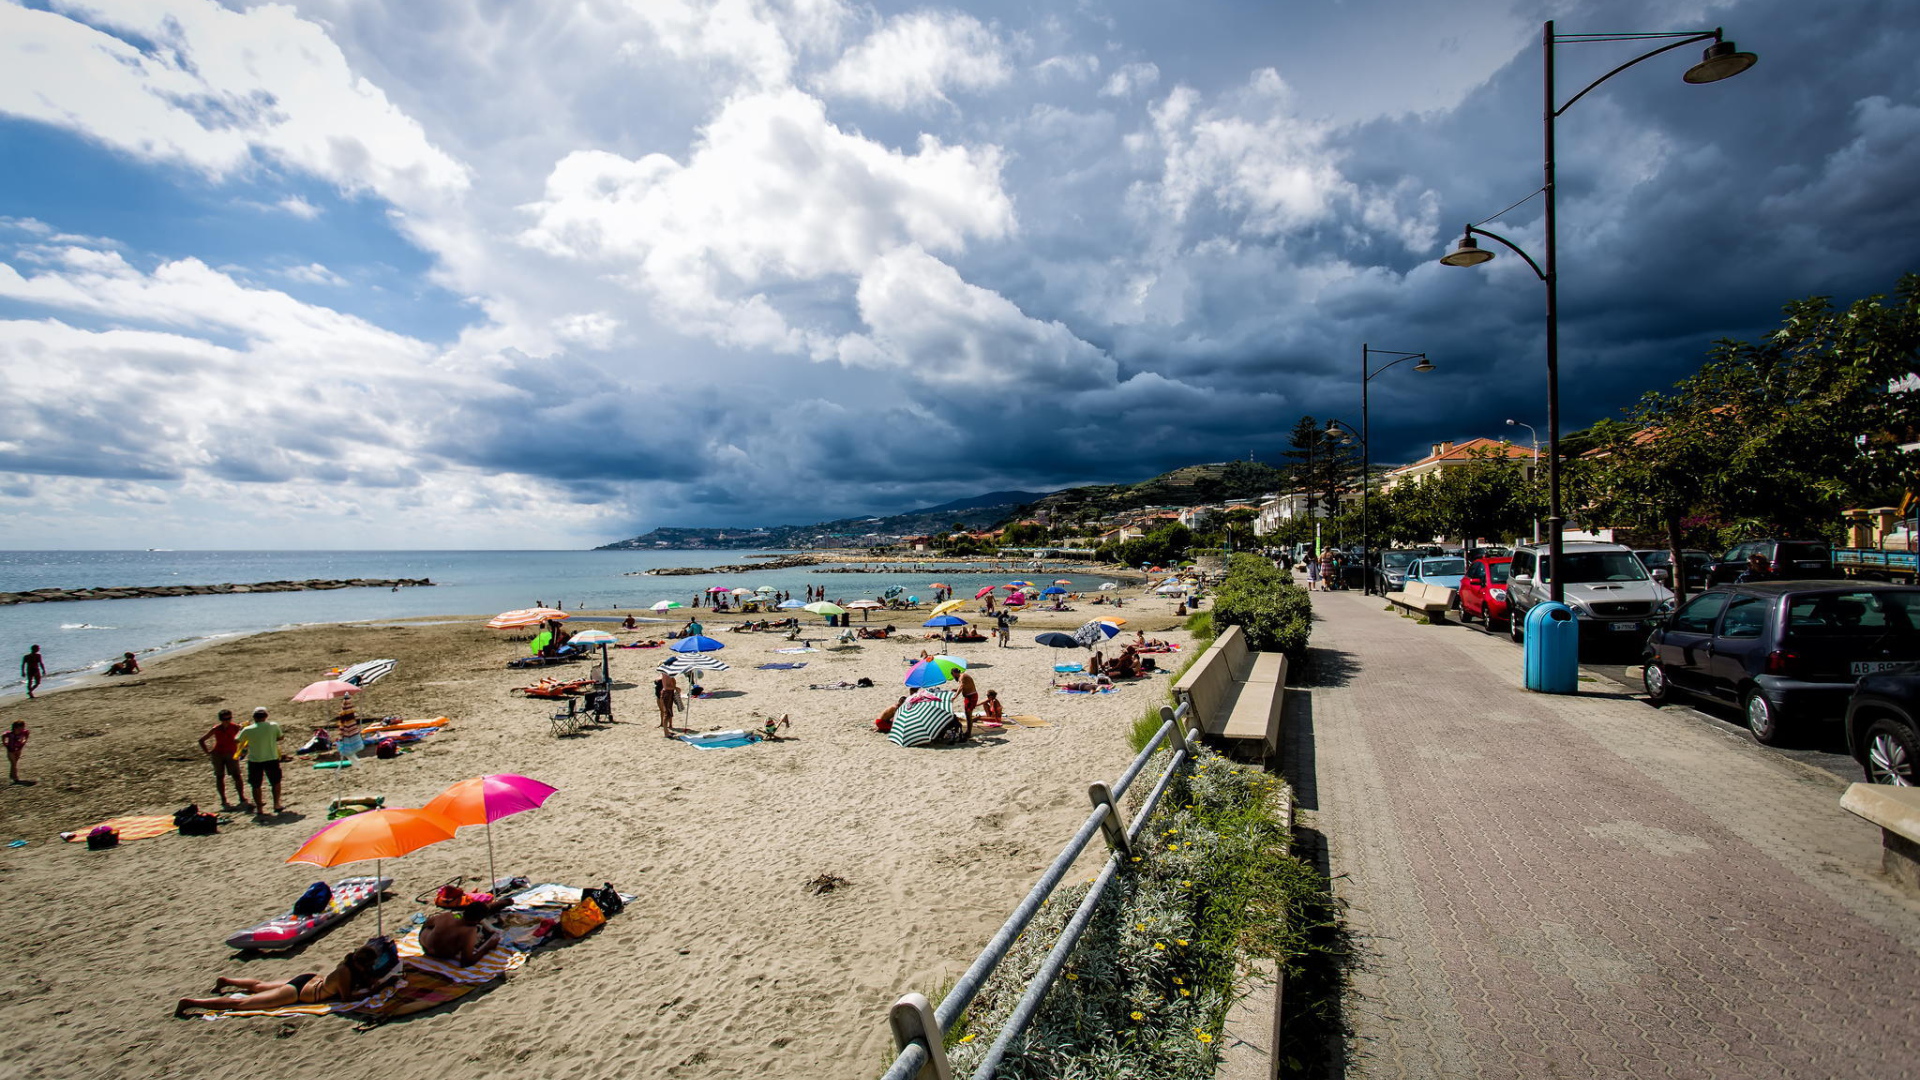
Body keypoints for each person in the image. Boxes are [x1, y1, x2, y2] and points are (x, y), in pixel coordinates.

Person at [175, 941, 391, 1017]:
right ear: (362, 963)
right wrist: (373, 991)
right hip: (300, 993)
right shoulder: (345, 972)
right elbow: (345, 998)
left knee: (259, 986)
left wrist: (371, 981)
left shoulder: (350, 965)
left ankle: (228, 981)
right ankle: (192, 1003)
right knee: (243, 1003)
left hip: (309, 979)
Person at [420, 896, 512, 966]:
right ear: (478, 921)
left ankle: (503, 903)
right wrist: (488, 948)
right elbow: (466, 962)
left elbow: (427, 924)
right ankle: (503, 903)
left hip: (425, 944)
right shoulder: (469, 932)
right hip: (441, 955)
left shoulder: (447, 916)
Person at [237, 707, 284, 815]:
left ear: (254, 717)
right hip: (271, 757)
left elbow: (238, 740)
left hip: (255, 759)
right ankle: (276, 804)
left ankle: (259, 808)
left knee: (256, 785)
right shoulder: (273, 726)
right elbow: (280, 737)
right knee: (275, 782)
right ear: (266, 716)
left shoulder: (248, 729)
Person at [198, 710, 246, 810]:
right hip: (219, 754)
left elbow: (245, 739)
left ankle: (241, 797)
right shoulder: (217, 729)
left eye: (229, 718)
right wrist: (207, 752)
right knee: (220, 777)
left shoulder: (235, 727)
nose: (227, 721)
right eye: (225, 719)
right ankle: (223, 799)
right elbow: (201, 740)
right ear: (221, 719)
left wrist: (243, 751)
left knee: (236, 776)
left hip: (231, 754)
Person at [656, 671, 680, 738]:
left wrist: (674, 687)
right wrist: (675, 688)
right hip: (666, 693)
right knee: (666, 713)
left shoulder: (668, 674)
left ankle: (667, 729)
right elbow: (666, 686)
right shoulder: (665, 674)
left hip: (669, 693)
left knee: (669, 712)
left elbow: (672, 682)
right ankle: (666, 732)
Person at [4, 720, 27, 784]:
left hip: (18, 750)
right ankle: (15, 777)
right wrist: (5, 744)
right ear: (16, 727)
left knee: (14, 763)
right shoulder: (10, 734)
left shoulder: (23, 732)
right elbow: (4, 736)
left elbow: (26, 736)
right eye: (22, 727)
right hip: (11, 751)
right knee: (14, 763)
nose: (23, 728)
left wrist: (23, 742)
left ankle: (11, 775)